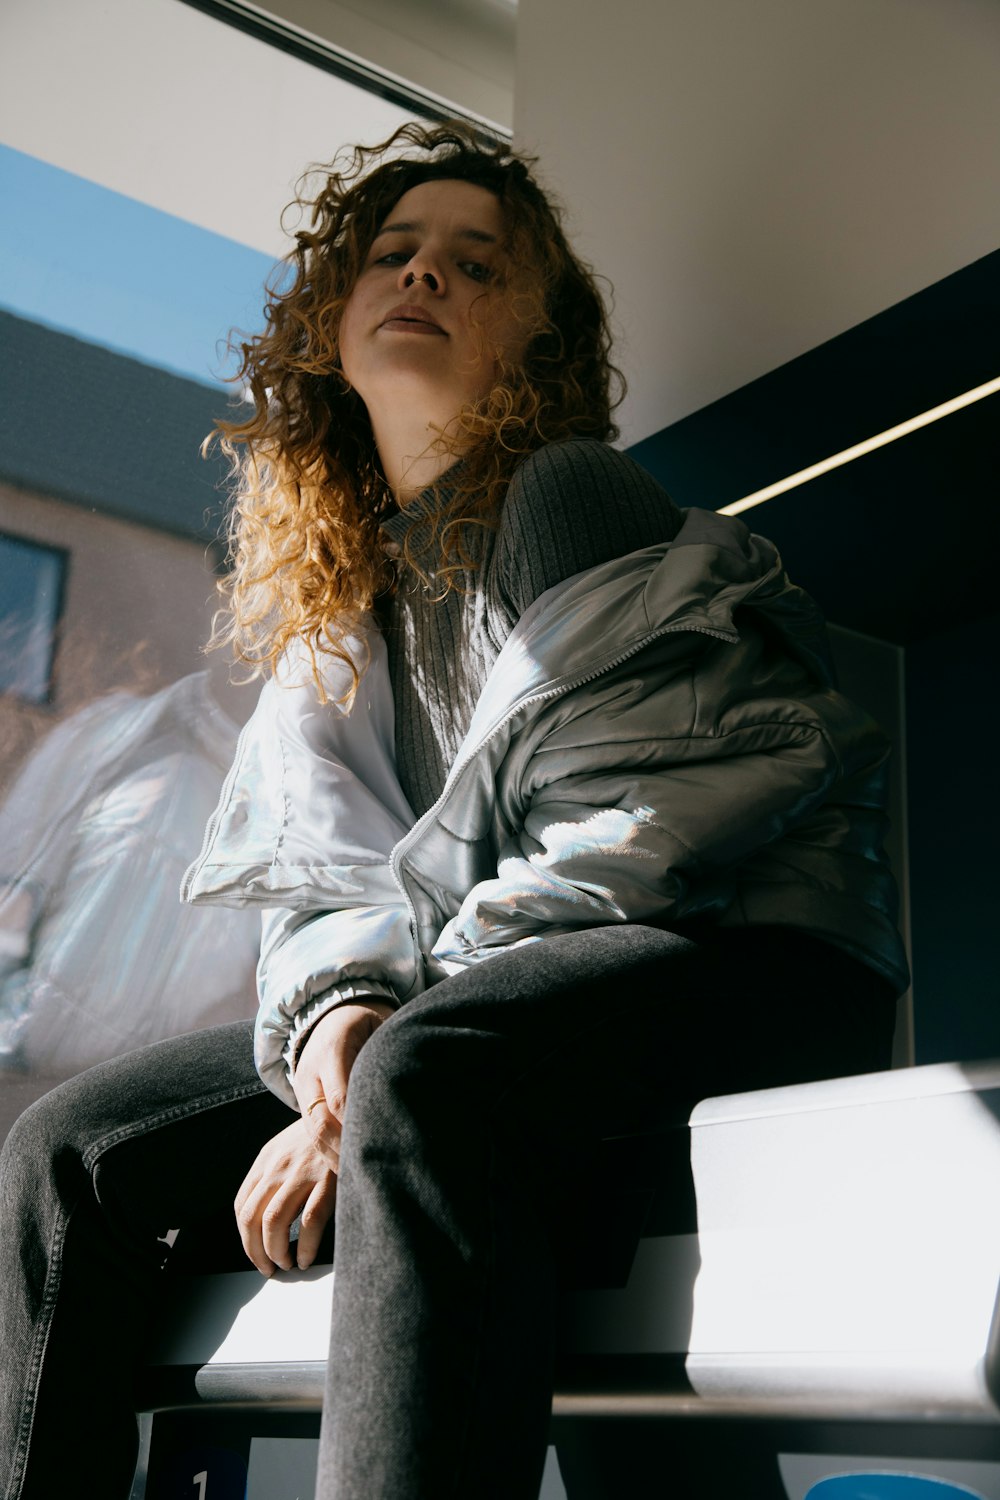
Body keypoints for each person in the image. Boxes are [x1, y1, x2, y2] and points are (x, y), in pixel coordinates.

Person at [0, 122, 908, 1500]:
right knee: (71, 1150)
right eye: (393, 252)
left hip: (754, 945)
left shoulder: (564, 501)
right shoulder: (335, 603)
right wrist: (337, 1040)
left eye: (475, 264)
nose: (424, 273)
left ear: (537, 341)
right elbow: (323, 882)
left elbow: (627, 845)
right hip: (490, 982)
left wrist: (359, 1084)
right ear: (333, 321)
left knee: (431, 1079)